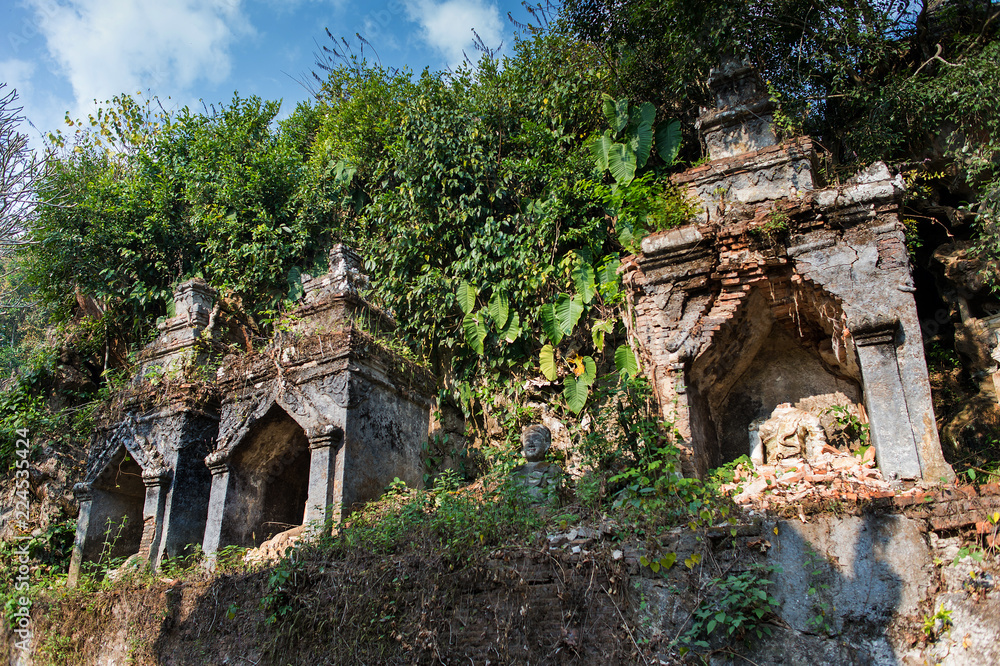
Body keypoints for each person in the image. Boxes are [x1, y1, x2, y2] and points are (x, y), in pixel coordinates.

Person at [511, 424, 562, 502]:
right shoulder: (515, 473)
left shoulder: (551, 469)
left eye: (536, 440)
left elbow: (553, 500)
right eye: (527, 441)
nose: (531, 444)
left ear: (546, 446)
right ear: (522, 449)